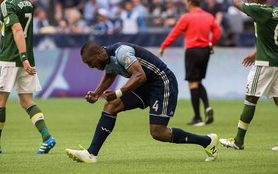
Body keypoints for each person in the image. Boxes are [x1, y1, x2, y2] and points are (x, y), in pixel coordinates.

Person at [65, 41, 219, 163]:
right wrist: (96, 93)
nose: (90, 66)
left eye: (89, 62)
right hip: (144, 86)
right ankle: (91, 154)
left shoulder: (121, 52)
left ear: (99, 54)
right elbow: (110, 75)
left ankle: (207, 141)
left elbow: (139, 75)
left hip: (162, 84)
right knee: (111, 106)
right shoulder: (106, 58)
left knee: (158, 133)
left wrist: (118, 92)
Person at [0, 0, 56, 154]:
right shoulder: (27, 1)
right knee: (26, 101)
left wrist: (22, 57)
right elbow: (20, 32)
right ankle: (47, 137)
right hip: (23, 56)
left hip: (13, 59)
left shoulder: (6, 3)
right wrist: (19, 53)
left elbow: (18, 31)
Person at [219, 0, 278, 151]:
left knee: (250, 98)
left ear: (257, 1)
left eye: (250, 0)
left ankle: (238, 141)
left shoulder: (260, 10)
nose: (248, 3)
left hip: (265, 64)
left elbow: (236, 3)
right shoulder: (275, 11)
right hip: (276, 62)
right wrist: (256, 52)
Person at [157, 0, 221, 126]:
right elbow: (217, 31)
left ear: (190, 2)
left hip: (192, 51)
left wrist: (164, 46)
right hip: (205, 51)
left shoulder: (187, 17)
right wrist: (211, 43)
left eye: (186, 2)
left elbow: (175, 33)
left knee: (192, 83)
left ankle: (197, 117)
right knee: (197, 81)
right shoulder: (209, 16)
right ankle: (207, 106)